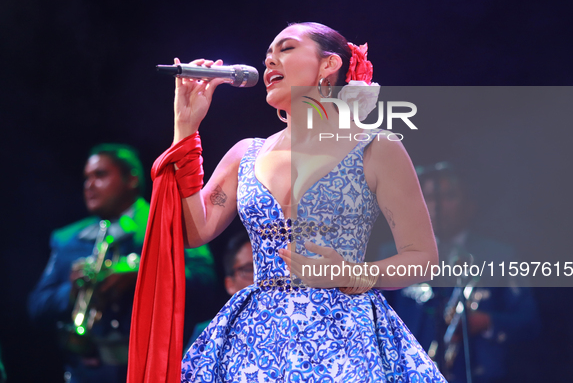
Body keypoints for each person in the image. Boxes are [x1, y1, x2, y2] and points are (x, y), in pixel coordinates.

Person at [129, 22, 446, 383]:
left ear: (328, 66)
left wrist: (355, 274)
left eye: (286, 49)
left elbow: (423, 258)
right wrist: (185, 128)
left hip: (343, 338)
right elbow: (191, 231)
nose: (269, 61)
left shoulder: (375, 147)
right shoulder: (245, 154)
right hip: (255, 340)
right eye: (267, 56)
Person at [28, 144, 219, 383]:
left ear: (131, 179)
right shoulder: (67, 239)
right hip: (87, 373)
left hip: (153, 370)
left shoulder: (171, 222)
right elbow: (37, 306)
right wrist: (73, 291)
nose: (89, 185)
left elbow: (207, 282)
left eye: (101, 175)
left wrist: (143, 274)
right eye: (86, 177)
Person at [381, 163, 540, 383]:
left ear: (470, 205)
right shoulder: (393, 254)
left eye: (449, 196)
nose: (437, 206)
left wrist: (485, 322)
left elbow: (528, 322)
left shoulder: (498, 255)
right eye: (428, 197)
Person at [185, 231, 254, 347]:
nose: (259, 278)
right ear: (229, 284)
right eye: (248, 269)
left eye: (265, 270)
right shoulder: (207, 334)